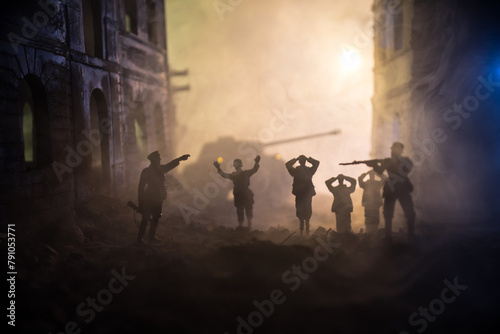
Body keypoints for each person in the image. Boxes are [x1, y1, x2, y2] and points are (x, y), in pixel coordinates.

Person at [137, 151, 190, 244]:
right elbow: (141, 187)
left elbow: (171, 165)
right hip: (149, 198)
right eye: (158, 158)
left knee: (156, 218)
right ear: (153, 160)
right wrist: (140, 201)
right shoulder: (147, 171)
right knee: (145, 219)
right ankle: (140, 240)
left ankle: (151, 237)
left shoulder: (160, 169)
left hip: (158, 198)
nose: (160, 159)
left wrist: (180, 159)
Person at [368, 142, 416, 242]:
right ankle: (388, 236)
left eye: (395, 149)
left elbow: (407, 169)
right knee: (388, 213)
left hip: (399, 187)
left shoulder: (405, 161)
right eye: (392, 149)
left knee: (409, 213)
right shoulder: (388, 161)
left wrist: (381, 165)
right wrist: (374, 166)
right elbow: (380, 171)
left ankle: (411, 236)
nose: (392, 152)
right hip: (392, 188)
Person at [214, 155, 260, 229]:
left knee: (248, 209)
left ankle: (249, 224)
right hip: (239, 194)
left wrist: (257, 162)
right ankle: (241, 225)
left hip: (246, 193)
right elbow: (225, 175)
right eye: (234, 163)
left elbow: (254, 169)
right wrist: (218, 168)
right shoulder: (234, 175)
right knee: (240, 210)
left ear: (239, 164)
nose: (234, 165)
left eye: (235, 163)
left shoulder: (245, 173)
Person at [285, 155, 320, 235]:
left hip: (303, 193)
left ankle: (305, 230)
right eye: (303, 160)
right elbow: (316, 163)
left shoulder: (299, 170)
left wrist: (296, 159)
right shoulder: (308, 170)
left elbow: (288, 165)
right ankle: (304, 229)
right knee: (303, 209)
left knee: (304, 210)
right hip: (303, 193)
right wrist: (308, 159)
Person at [358, 170, 385, 235]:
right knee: (368, 217)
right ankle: (369, 231)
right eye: (371, 175)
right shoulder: (367, 183)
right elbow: (360, 180)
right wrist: (366, 174)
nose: (372, 176)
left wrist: (377, 173)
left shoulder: (377, 183)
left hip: (374, 203)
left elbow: (384, 178)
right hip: (368, 203)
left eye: (373, 175)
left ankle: (374, 231)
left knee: (375, 217)